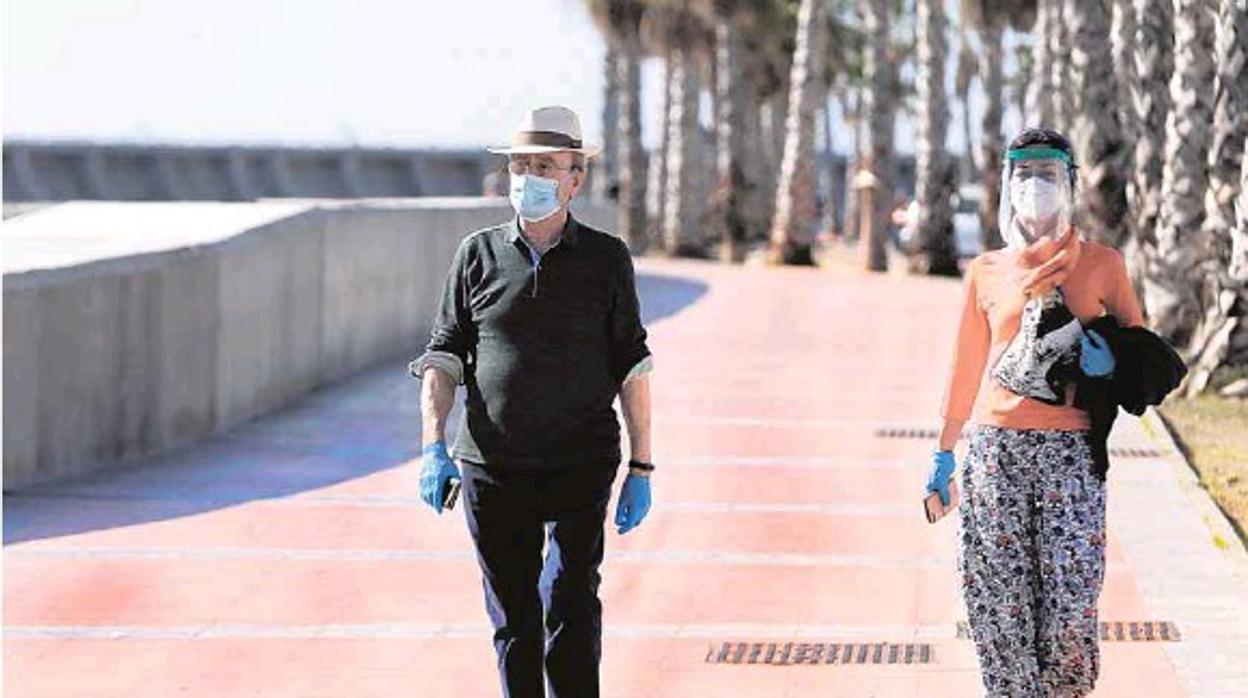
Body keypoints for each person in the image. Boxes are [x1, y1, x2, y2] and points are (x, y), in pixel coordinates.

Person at [409, 105, 655, 698]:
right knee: (514, 618)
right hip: (492, 467)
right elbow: (443, 354)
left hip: (580, 460)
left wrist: (641, 465)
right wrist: (432, 446)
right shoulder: (476, 255)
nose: (529, 178)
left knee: (569, 603)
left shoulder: (605, 258)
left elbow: (633, 362)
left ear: (576, 178)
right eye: (521, 165)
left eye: (546, 166)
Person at [926, 127, 1145, 697]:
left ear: (1069, 184)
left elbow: (1144, 358)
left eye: (1048, 175)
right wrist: (943, 454)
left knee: (1071, 605)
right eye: (1024, 175)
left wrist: (1110, 362)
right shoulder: (987, 272)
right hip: (994, 453)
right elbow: (965, 367)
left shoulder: (1103, 266)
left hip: (1070, 455)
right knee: (998, 603)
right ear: (1006, 185)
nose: (1036, 187)